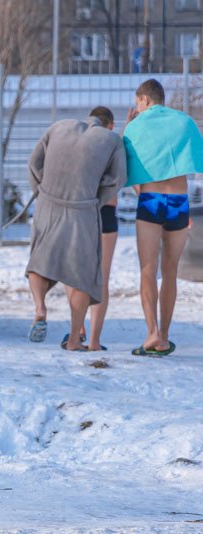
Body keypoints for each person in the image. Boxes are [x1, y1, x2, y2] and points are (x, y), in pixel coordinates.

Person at [25, 107, 126, 351]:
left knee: (39, 262)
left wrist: (41, 191)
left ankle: (40, 307)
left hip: (48, 204)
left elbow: (33, 162)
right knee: (81, 276)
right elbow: (117, 179)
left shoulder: (58, 127)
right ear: (110, 124)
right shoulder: (111, 140)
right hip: (83, 210)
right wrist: (94, 200)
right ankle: (73, 339)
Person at [122, 78, 203, 356]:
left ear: (144, 99)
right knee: (170, 272)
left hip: (151, 200)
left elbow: (125, 164)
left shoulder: (136, 126)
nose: (137, 109)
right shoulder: (184, 122)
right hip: (179, 202)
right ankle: (165, 337)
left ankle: (152, 333)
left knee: (148, 269)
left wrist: (128, 125)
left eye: (137, 104)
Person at [70, 106, 122, 351]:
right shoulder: (114, 143)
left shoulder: (79, 145)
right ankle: (94, 341)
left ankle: (77, 329)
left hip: (81, 213)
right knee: (101, 278)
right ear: (111, 125)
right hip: (107, 214)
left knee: (75, 275)